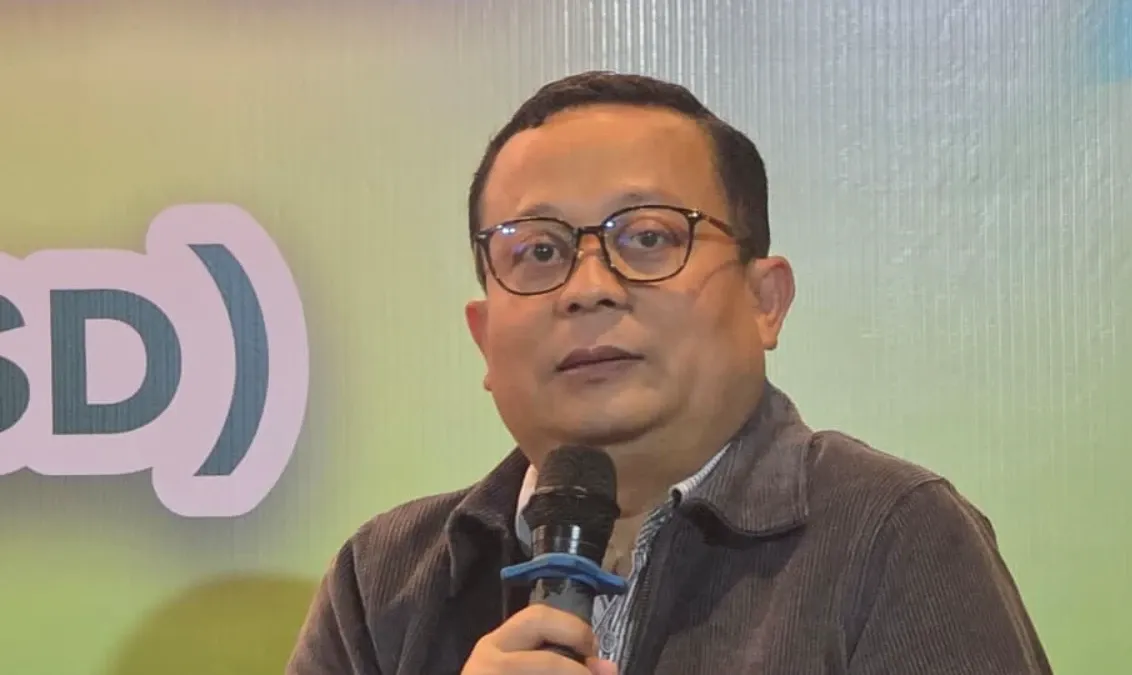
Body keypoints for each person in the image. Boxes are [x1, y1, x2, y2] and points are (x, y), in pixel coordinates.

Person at [286, 71, 1053, 675]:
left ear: (765, 300)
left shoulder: (890, 534)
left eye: (648, 237)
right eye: (539, 250)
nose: (588, 287)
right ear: (485, 338)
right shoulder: (385, 577)